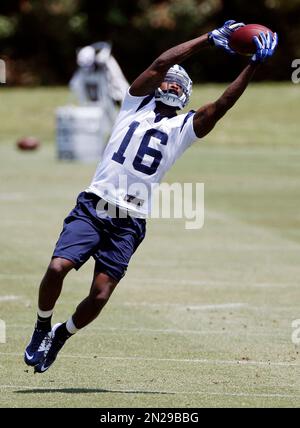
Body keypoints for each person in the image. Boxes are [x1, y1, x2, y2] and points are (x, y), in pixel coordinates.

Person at [24, 21, 278, 373]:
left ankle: (61, 335)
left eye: (180, 82)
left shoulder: (184, 128)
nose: (172, 81)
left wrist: (253, 65)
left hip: (130, 219)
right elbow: (161, 64)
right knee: (57, 267)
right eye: (168, 80)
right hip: (95, 203)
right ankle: (40, 327)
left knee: (99, 296)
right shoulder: (133, 106)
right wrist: (208, 39)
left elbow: (221, 105)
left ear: (186, 94)